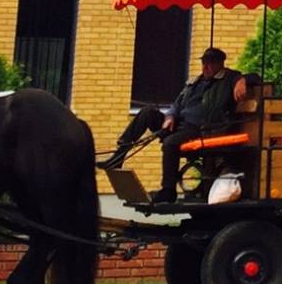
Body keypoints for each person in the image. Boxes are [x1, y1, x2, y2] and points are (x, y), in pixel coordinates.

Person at [101, 47, 248, 202]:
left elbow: (255, 78)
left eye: (210, 63)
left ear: (220, 64)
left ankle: (168, 190)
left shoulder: (228, 79)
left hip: (201, 129)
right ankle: (120, 155)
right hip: (179, 124)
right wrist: (170, 116)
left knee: (171, 143)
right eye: (204, 63)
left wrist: (241, 80)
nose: (205, 67)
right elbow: (177, 104)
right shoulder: (195, 82)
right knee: (147, 112)